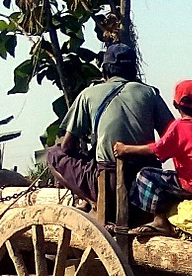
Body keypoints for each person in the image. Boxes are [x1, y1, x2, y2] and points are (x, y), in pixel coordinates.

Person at [43, 43, 173, 205]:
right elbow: (172, 139)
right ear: (134, 70)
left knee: (53, 154)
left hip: (106, 182)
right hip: (146, 183)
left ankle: (91, 201)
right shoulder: (150, 93)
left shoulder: (88, 94)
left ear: (104, 70)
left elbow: (68, 147)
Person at [112, 79, 192, 235]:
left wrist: (125, 149)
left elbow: (157, 151)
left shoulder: (179, 127)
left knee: (145, 175)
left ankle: (159, 220)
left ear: (175, 104)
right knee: (169, 176)